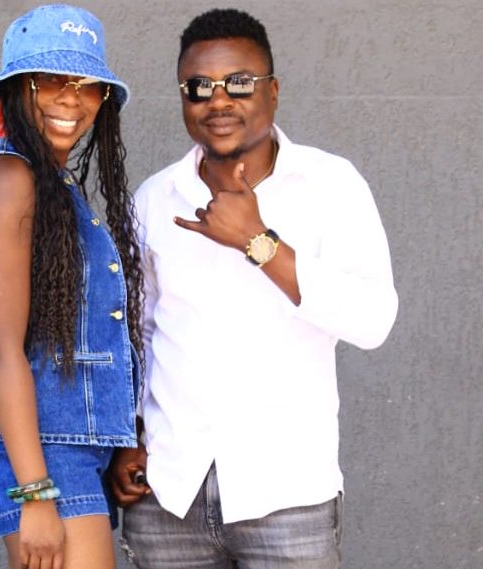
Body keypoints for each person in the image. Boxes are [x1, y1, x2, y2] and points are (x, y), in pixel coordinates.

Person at [109, 8, 398, 568]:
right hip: (168, 494)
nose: (218, 100)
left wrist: (259, 242)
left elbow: (373, 319)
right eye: (199, 87)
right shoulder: (153, 199)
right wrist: (129, 435)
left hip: (285, 497)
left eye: (239, 83)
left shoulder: (330, 186)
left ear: (273, 91)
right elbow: (137, 337)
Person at [0, 5, 142, 568]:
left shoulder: (49, 182)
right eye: (51, 80)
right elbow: (5, 351)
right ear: (14, 88)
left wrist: (118, 436)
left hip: (71, 443)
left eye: (88, 86)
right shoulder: (8, 179)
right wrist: (34, 494)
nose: (70, 100)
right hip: (42, 454)